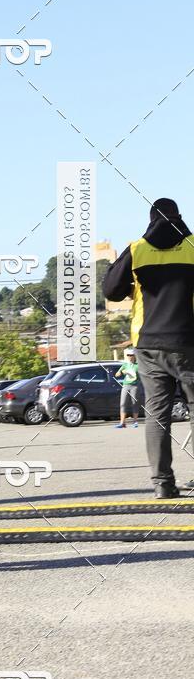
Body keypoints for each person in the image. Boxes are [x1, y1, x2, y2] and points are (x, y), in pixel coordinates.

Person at [103, 198, 194, 498]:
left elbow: (111, 291)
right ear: (178, 217)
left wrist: (134, 287)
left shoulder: (137, 248)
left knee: (157, 414)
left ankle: (163, 484)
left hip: (149, 344)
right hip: (187, 342)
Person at [115, 349, 142, 429]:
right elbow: (117, 374)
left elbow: (142, 376)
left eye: (131, 355)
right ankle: (122, 423)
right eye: (128, 355)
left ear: (134, 356)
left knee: (135, 403)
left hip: (135, 386)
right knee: (123, 404)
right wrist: (121, 372)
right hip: (126, 386)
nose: (129, 357)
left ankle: (135, 422)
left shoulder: (138, 365)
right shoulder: (125, 365)